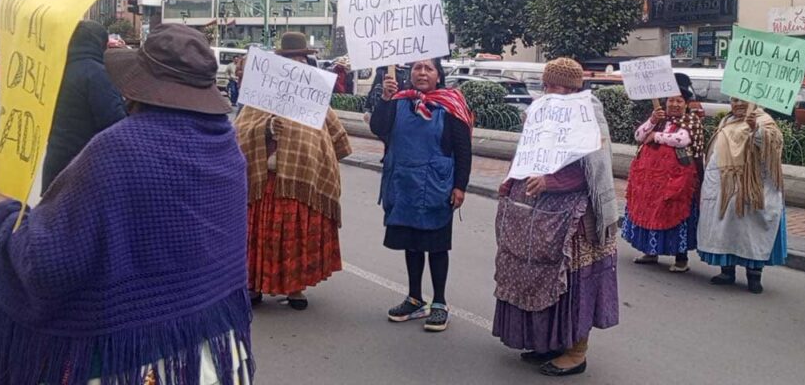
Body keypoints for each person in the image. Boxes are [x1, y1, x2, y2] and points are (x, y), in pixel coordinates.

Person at [0, 24, 252, 384]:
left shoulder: (119, 150)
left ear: (138, 86)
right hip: (212, 352)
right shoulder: (225, 145)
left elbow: (46, 265)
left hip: (137, 364)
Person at [492, 58, 620, 378]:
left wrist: (552, 182)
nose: (548, 90)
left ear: (573, 88)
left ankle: (576, 352)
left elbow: (594, 170)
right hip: (538, 213)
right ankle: (549, 341)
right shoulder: (540, 111)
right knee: (539, 277)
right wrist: (512, 180)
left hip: (575, 219)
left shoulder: (587, 114)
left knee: (573, 282)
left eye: (556, 86)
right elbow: (527, 153)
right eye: (546, 84)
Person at [236, 32, 352, 311]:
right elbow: (239, 133)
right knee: (260, 236)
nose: (295, 65)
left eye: (299, 60)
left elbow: (336, 139)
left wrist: (315, 154)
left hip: (300, 182)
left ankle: (295, 288)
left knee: (294, 237)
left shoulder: (315, 99)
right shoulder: (258, 98)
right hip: (266, 181)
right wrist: (264, 130)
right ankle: (254, 286)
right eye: (288, 61)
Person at [370, 58, 472, 332]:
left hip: (437, 186)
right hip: (403, 184)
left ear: (438, 75)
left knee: (437, 246)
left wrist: (460, 186)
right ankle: (414, 298)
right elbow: (379, 129)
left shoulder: (451, 104)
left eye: (428, 68)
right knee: (412, 244)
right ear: (409, 74)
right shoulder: (399, 100)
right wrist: (386, 99)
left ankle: (439, 302)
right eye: (417, 68)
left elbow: (463, 149)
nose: (422, 73)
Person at [697, 97, 787, 294]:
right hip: (725, 188)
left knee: (751, 232)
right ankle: (726, 272)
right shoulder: (726, 121)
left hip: (752, 189)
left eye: (743, 100)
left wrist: (756, 130)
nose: (738, 104)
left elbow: (773, 144)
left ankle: (754, 276)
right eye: (734, 100)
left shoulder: (764, 120)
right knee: (725, 229)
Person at [621, 85, 705, 271]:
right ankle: (650, 251)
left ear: (686, 104)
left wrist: (656, 136)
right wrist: (652, 121)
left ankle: (681, 259)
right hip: (651, 181)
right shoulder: (660, 118)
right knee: (651, 211)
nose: (674, 104)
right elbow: (639, 135)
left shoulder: (691, 120)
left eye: (679, 101)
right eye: (671, 100)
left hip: (678, 180)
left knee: (677, 214)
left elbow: (681, 139)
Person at [41, 20, 127, 193]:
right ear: (99, 43)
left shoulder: (55, 71)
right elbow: (114, 121)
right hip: (83, 165)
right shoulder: (96, 74)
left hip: (56, 161)